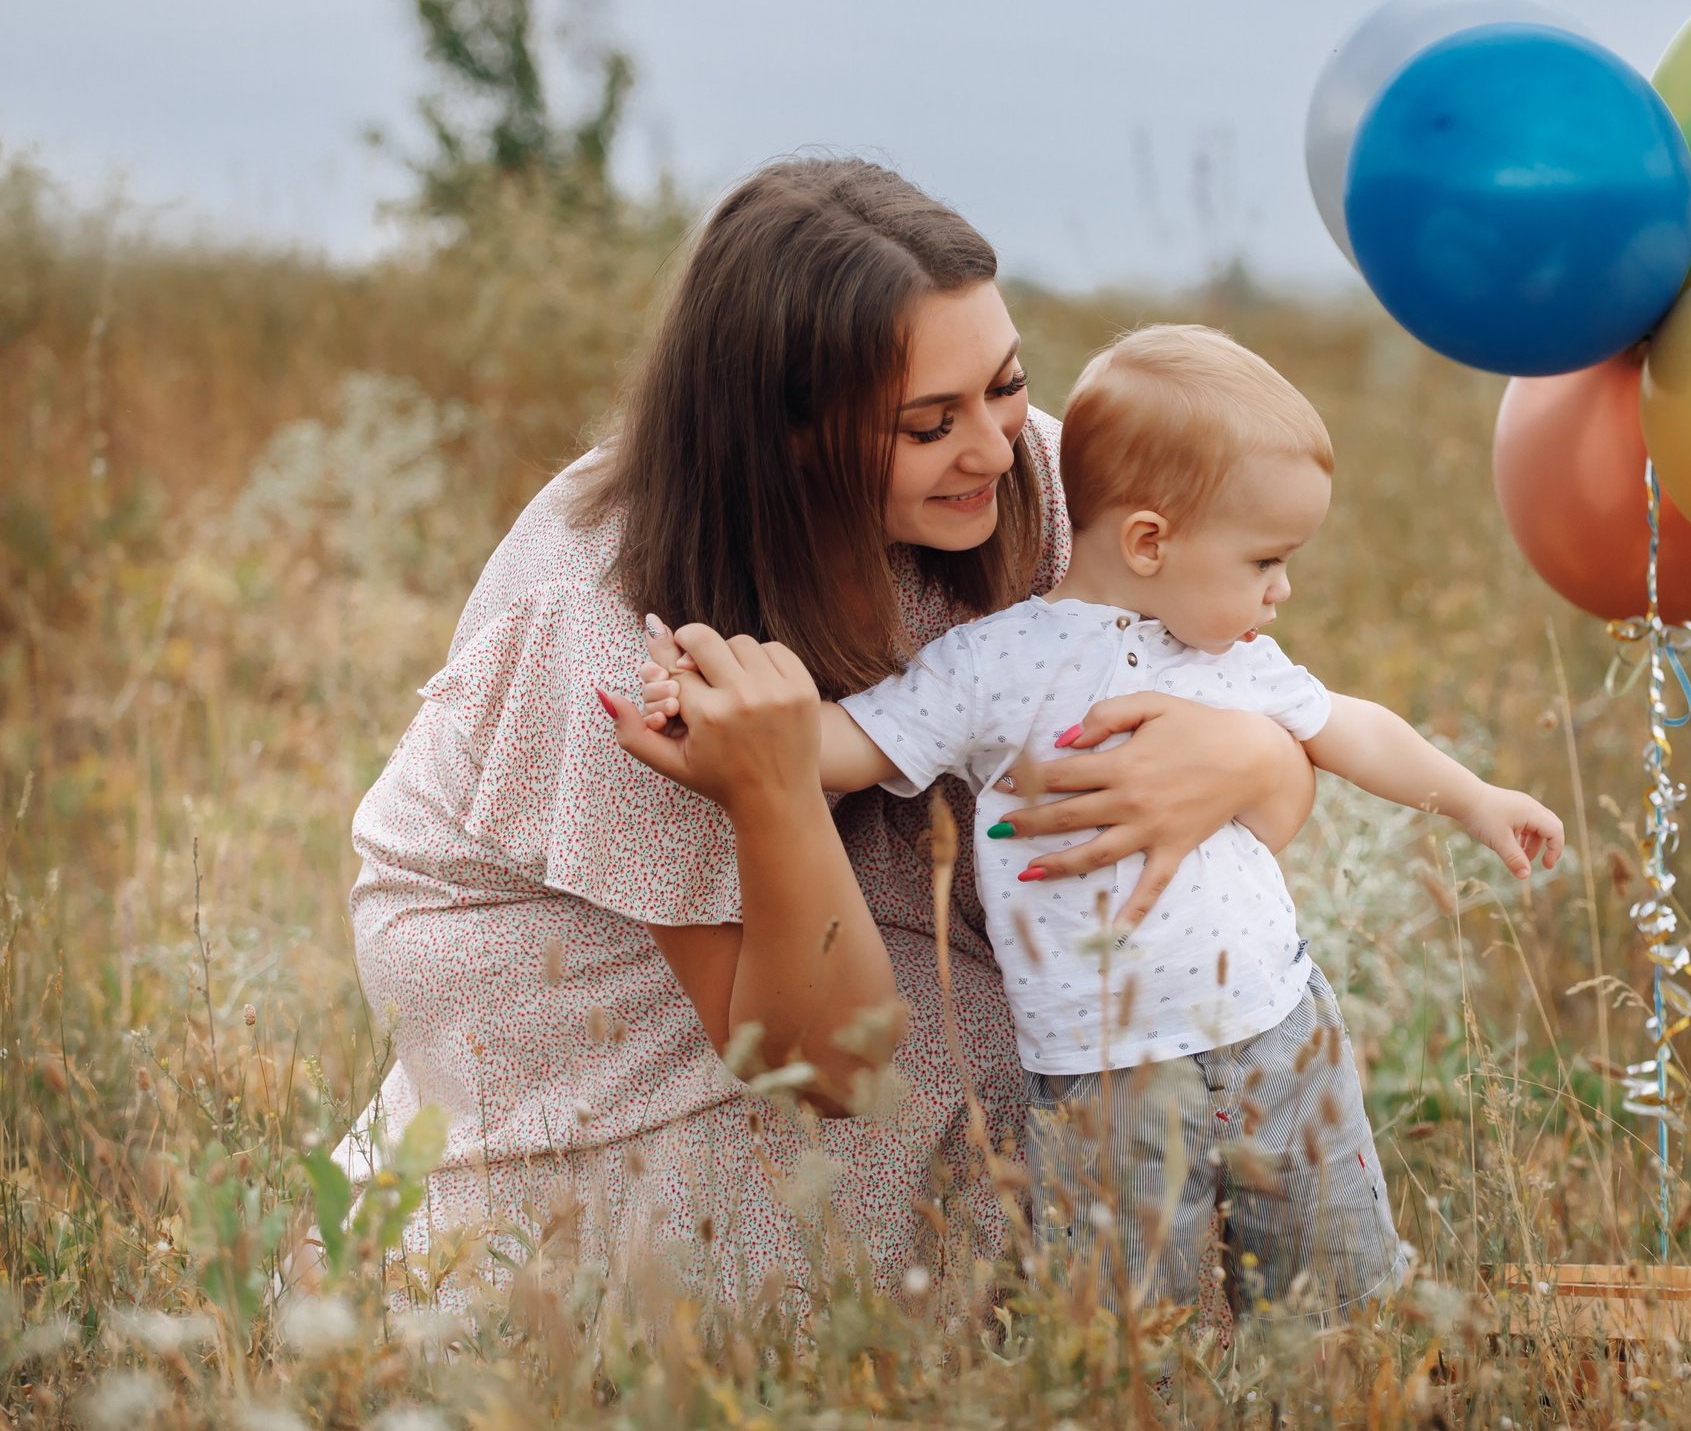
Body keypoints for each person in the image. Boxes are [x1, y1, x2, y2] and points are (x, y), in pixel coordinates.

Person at [342, 160, 1317, 1308]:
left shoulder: (1043, 478)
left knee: (1195, 1019)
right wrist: (772, 790)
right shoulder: (617, 622)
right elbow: (828, 1064)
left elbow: (1266, 787)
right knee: (979, 1095)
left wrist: (1248, 758)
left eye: (1005, 385)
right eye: (927, 424)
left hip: (896, 945)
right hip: (627, 992)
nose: (1000, 452)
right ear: (786, 435)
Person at [625, 325, 1563, 1322]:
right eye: (1266, 561)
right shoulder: (993, 666)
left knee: (1335, 1298)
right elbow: (849, 744)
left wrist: (1474, 799)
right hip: (1103, 1073)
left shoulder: (1224, 657)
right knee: (1124, 1325)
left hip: (1282, 1028)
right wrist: (720, 707)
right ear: (1150, 541)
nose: (1281, 591)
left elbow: (1353, 731)